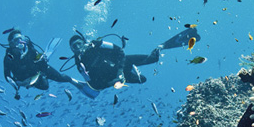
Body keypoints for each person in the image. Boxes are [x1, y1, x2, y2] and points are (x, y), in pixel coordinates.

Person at [68, 28, 201, 91]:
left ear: (84, 41)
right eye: (74, 47)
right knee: (142, 80)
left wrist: (120, 70)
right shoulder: (79, 64)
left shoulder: (97, 45)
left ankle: (162, 46)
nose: (78, 48)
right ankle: (131, 72)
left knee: (154, 58)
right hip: (113, 77)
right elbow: (94, 85)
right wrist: (112, 82)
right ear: (72, 50)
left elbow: (119, 51)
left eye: (79, 43)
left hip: (123, 62)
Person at [1, 29, 95, 99]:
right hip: (25, 79)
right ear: (11, 43)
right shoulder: (8, 58)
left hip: (39, 70)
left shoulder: (30, 49)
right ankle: (39, 79)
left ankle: (74, 82)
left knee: (61, 77)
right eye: (17, 40)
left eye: (22, 39)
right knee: (45, 86)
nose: (21, 42)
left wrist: (43, 58)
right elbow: (7, 75)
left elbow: (38, 58)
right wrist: (18, 83)